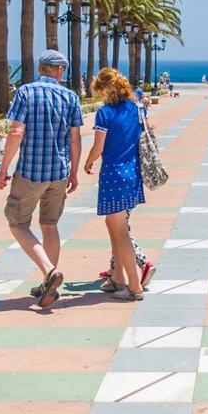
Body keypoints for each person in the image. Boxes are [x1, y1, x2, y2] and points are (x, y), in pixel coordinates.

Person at [0, 50, 83, 308]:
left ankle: (49, 271)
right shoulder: (70, 97)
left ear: (42, 68)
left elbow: (16, 131)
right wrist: (74, 172)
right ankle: (48, 284)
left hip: (31, 172)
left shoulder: (26, 92)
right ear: (58, 70)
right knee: (49, 225)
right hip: (59, 173)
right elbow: (75, 138)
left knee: (17, 223)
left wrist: (3, 169)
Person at [83, 68, 148, 301]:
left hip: (113, 175)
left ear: (105, 89)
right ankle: (118, 277)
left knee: (120, 232)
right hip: (132, 173)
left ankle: (134, 286)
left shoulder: (105, 113)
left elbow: (98, 147)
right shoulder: (135, 109)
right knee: (113, 227)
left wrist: (88, 162)